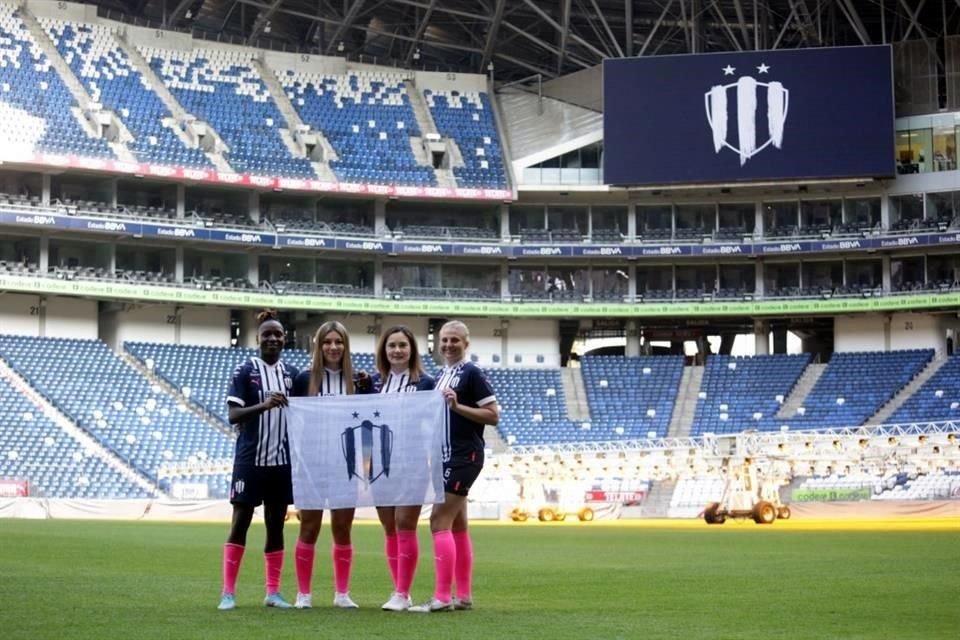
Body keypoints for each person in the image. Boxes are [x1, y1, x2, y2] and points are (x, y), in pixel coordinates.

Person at [410, 320, 499, 613]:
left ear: (466, 343)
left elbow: (492, 415)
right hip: (445, 456)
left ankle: (441, 597)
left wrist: (458, 406)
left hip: (464, 456)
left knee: (438, 521)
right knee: (458, 526)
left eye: (454, 340)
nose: (448, 345)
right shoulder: (441, 375)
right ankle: (463, 595)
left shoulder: (471, 373)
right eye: (444, 340)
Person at [218, 310, 298, 611]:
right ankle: (228, 593)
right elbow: (233, 415)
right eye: (267, 334)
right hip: (249, 461)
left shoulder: (293, 374)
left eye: (278, 334)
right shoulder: (244, 371)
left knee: (276, 526)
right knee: (240, 523)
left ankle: (273, 593)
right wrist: (264, 405)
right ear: (257, 338)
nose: (273, 338)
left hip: (281, 463)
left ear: (284, 338)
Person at [290, 320, 370, 609]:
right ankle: (304, 594)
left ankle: (342, 593)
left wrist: (366, 468)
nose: (333, 347)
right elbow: (294, 425)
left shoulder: (359, 383)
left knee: (342, 528)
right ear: (318, 345)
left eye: (339, 342)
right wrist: (298, 465)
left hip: (346, 468)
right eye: (327, 342)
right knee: (308, 528)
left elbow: (368, 427)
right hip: (312, 465)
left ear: (346, 347)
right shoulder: (303, 379)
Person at [370, 326, 436, 612]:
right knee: (389, 528)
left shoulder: (426, 384)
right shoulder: (372, 383)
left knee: (405, 524)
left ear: (412, 350)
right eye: (392, 346)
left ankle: (401, 592)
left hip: (413, 461)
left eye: (403, 345)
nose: (397, 351)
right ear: (384, 351)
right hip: (379, 463)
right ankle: (400, 590)